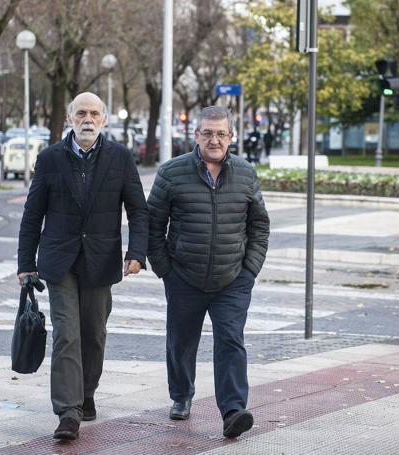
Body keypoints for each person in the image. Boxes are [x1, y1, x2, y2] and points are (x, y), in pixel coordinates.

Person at [17, 92, 148, 441]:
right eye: (81, 113)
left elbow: (138, 209)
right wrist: (25, 263)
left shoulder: (120, 158)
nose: (87, 119)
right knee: (66, 335)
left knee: (94, 335)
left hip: (101, 260)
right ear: (69, 117)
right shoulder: (49, 159)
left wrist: (137, 251)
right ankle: (68, 411)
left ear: (104, 119)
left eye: (94, 113)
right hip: (59, 261)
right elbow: (32, 214)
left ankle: (87, 394)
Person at [147, 106, 270, 439]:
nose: (214, 139)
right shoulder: (171, 173)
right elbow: (152, 224)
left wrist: (250, 269)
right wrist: (165, 269)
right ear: (196, 135)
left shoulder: (245, 173)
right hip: (184, 276)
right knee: (181, 342)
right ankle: (181, 395)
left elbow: (259, 224)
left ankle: (233, 411)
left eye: (221, 133)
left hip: (232, 278)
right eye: (207, 133)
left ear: (231, 137)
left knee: (231, 340)